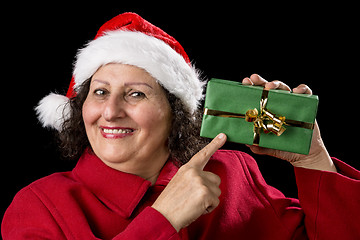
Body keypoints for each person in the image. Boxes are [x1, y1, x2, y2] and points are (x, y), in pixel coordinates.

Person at [2, 12, 359, 240]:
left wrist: (313, 161)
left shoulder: (235, 172)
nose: (109, 111)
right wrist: (164, 218)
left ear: (177, 113)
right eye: (99, 92)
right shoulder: (39, 206)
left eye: (136, 94)